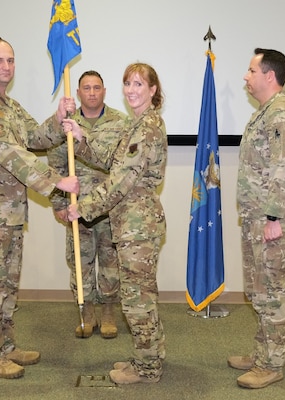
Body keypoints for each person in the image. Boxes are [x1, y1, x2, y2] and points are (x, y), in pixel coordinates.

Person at [0, 29, 79, 379]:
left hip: (10, 212)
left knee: (8, 284)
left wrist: (59, 119)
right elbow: (12, 155)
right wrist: (56, 181)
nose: (6, 66)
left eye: (10, 60)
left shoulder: (8, 105)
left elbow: (33, 138)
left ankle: (6, 346)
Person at [64, 62, 167, 385]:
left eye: (139, 84)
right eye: (127, 84)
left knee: (138, 301)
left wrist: (84, 208)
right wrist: (81, 139)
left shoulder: (147, 127)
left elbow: (121, 180)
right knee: (139, 297)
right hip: (130, 223)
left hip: (138, 224)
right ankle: (147, 357)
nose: (131, 90)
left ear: (152, 91)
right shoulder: (135, 126)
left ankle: (148, 369)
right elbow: (112, 159)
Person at [229, 48, 285, 389]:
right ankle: (262, 354)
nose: (246, 76)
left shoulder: (283, 115)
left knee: (272, 291)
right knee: (259, 289)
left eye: (251, 70)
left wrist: (273, 216)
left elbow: (284, 170)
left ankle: (272, 364)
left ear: (269, 76)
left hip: (273, 220)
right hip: (257, 218)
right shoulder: (266, 112)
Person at [48, 70, 126, 339]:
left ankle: (107, 311)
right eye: (86, 88)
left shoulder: (121, 123)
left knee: (110, 262)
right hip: (76, 208)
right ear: (78, 93)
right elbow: (56, 165)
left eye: (97, 88)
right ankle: (86, 311)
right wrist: (58, 202)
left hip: (109, 208)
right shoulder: (66, 123)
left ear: (104, 91)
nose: (92, 93)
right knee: (79, 262)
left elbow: (124, 168)